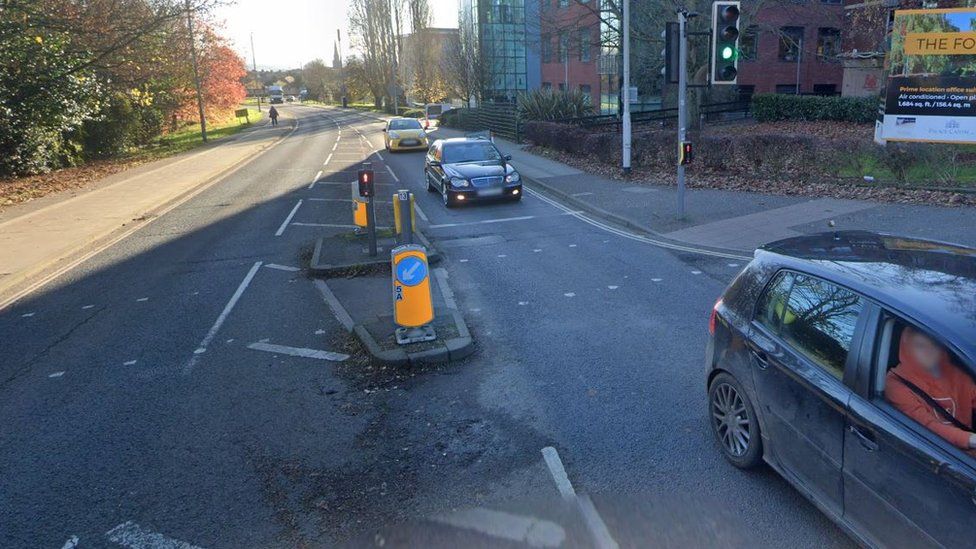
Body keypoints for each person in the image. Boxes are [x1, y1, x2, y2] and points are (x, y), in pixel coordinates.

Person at [885, 326, 976, 452]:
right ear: (908, 348)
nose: (929, 351)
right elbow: (927, 427)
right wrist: (970, 439)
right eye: (920, 346)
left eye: (934, 344)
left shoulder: (956, 373)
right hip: (938, 454)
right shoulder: (896, 383)